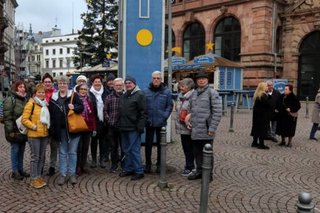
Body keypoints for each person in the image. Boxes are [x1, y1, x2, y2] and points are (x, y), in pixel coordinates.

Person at [186, 72, 222, 181]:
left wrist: (212, 128)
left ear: (207, 80)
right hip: (195, 129)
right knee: (196, 152)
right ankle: (199, 171)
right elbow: (191, 109)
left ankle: (208, 174)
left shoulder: (212, 93)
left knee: (207, 153)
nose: (201, 80)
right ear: (196, 81)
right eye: (199, 79)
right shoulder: (194, 93)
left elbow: (217, 112)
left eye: (203, 79)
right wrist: (189, 121)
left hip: (206, 129)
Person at [49, 75, 84, 185]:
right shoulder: (53, 97)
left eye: (64, 83)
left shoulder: (74, 95)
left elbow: (81, 107)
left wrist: (75, 107)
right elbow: (51, 115)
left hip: (73, 130)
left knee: (72, 152)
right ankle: (63, 174)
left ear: (68, 84)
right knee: (63, 152)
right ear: (57, 84)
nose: (62, 85)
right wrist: (53, 130)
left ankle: (72, 174)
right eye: (60, 83)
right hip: (61, 131)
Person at [143, 71, 173, 173]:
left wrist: (164, 116)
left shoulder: (167, 92)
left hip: (161, 122)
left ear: (161, 79)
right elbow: (143, 107)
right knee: (148, 145)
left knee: (161, 145)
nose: (156, 80)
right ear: (152, 79)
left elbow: (169, 106)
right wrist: (146, 118)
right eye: (154, 78)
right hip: (149, 122)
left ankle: (160, 165)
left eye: (158, 78)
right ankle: (148, 164)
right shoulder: (145, 91)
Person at [21, 83, 50, 189]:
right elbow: (24, 119)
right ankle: (34, 178)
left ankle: (38, 176)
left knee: (41, 157)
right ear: (35, 94)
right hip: (34, 135)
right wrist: (33, 127)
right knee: (35, 157)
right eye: (39, 92)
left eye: (43, 92)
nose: (41, 94)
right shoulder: (31, 103)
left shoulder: (45, 104)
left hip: (44, 134)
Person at [118, 76, 146, 180]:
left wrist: (140, 126)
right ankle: (128, 169)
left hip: (134, 127)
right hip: (124, 127)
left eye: (130, 83)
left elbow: (143, 113)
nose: (128, 84)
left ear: (134, 83)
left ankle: (139, 171)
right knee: (126, 150)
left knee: (134, 150)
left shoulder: (140, 95)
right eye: (126, 83)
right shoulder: (124, 95)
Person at [3, 80, 30, 180]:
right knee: (15, 150)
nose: (22, 88)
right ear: (16, 88)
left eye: (23, 87)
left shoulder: (25, 99)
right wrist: (10, 131)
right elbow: (7, 116)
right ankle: (15, 171)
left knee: (21, 151)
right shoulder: (11, 99)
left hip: (23, 131)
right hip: (14, 130)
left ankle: (20, 169)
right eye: (20, 87)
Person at [175, 78, 195, 176]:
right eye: (180, 86)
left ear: (189, 87)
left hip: (190, 126)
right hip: (182, 127)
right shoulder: (180, 96)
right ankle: (189, 166)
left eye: (183, 86)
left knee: (190, 148)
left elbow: (195, 111)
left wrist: (189, 118)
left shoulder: (193, 96)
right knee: (186, 148)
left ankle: (190, 167)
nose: (180, 88)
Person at [75, 83, 96, 176]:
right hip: (79, 126)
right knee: (78, 148)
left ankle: (83, 165)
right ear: (78, 90)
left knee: (85, 147)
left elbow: (92, 115)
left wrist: (94, 128)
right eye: (81, 89)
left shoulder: (89, 100)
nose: (83, 91)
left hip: (88, 127)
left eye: (85, 89)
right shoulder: (75, 100)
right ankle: (78, 167)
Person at [89, 74, 109, 168]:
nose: (97, 83)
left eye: (99, 82)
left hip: (103, 121)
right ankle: (93, 160)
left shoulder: (106, 92)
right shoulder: (89, 93)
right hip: (93, 121)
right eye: (95, 82)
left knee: (103, 141)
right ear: (92, 83)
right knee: (93, 141)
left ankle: (102, 159)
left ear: (101, 83)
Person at [104, 78, 124, 172]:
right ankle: (114, 165)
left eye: (120, 85)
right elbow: (105, 111)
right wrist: (109, 120)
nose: (119, 87)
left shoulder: (126, 96)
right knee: (113, 147)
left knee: (124, 146)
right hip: (112, 126)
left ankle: (124, 165)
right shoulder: (109, 97)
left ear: (123, 86)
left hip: (124, 126)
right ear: (114, 86)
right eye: (117, 85)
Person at [42, 73, 57, 176]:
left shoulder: (56, 93)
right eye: (45, 82)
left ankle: (52, 166)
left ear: (52, 83)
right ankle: (41, 165)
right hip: (43, 125)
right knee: (42, 148)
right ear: (43, 83)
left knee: (54, 147)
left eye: (49, 82)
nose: (47, 83)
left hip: (54, 125)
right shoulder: (39, 93)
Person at [250, 82, 271, 149]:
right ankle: (261, 144)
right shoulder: (263, 95)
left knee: (256, 128)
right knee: (262, 129)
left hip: (257, 115)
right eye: (266, 86)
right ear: (263, 87)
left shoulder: (257, 94)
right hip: (262, 115)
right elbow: (268, 104)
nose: (268, 87)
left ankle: (255, 142)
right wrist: (270, 97)